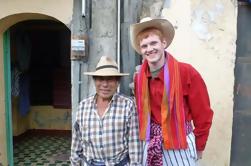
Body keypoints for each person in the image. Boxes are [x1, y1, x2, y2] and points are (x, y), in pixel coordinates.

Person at [130, 17, 214, 166]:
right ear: (141, 50)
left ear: (163, 43)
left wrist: (199, 146)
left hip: (180, 144)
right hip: (151, 142)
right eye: (144, 46)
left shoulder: (186, 72)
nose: (149, 49)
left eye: (154, 43)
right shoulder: (139, 78)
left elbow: (204, 115)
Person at [70, 56, 142, 166]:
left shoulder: (128, 105)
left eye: (110, 79)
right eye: (100, 79)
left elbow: (134, 144)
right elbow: (76, 143)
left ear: (117, 82)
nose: (105, 84)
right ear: (94, 80)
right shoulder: (83, 106)